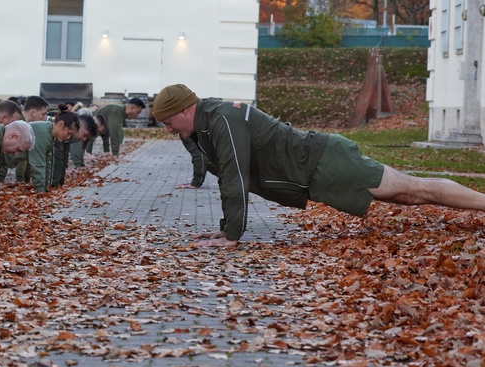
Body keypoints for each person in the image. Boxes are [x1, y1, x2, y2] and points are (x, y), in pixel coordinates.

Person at [152, 83, 485, 247]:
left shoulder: (222, 119)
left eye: (169, 122)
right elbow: (230, 176)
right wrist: (226, 228)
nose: (169, 130)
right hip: (317, 168)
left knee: (415, 190)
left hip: (326, 161)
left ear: (185, 109)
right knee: (410, 195)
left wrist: (232, 236)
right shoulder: (208, 125)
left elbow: (235, 175)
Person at [23, 110, 79, 192]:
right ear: (61, 124)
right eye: (69, 133)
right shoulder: (43, 133)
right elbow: (38, 164)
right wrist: (40, 190)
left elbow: (47, 163)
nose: (68, 138)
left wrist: (45, 188)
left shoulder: (50, 133)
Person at [51, 112, 97, 187]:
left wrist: (60, 183)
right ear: (78, 127)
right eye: (84, 135)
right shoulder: (59, 133)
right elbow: (56, 161)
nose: (84, 139)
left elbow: (63, 161)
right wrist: (55, 185)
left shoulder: (66, 138)